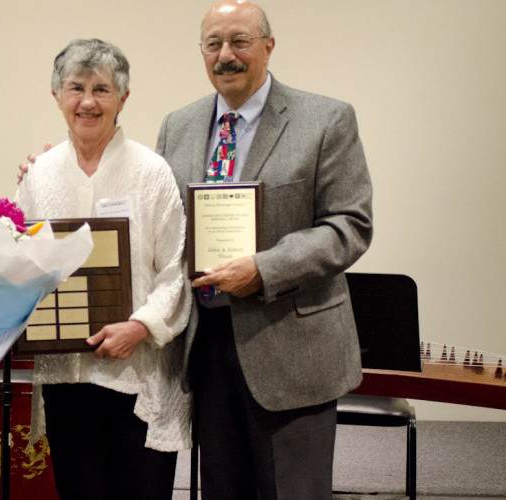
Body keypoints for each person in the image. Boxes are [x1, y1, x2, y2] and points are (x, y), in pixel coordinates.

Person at [155, 1, 373, 498]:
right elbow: (158, 220)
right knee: (223, 489)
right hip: (206, 343)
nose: (225, 54)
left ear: (269, 46)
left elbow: (349, 225)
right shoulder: (178, 126)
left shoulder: (326, 119)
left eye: (239, 41)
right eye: (213, 43)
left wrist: (263, 269)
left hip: (292, 348)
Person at [15, 39, 192, 500]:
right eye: (76, 88)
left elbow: (176, 269)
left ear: (123, 99)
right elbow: (24, 266)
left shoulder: (153, 173)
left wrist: (139, 326)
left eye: (102, 89)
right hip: (66, 374)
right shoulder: (38, 176)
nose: (88, 102)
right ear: (56, 95)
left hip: (139, 371)